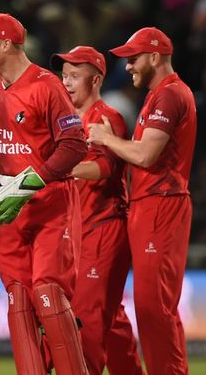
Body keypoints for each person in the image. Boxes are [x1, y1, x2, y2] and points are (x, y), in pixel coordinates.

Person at [0, 13, 89, 375]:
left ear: (5, 43)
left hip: (50, 207)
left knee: (47, 294)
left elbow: (75, 146)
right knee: (18, 299)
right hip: (9, 211)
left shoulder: (47, 86)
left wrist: (29, 183)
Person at [87, 27, 197, 375]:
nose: (129, 66)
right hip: (149, 205)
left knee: (154, 309)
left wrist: (106, 138)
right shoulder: (157, 96)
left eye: (133, 58)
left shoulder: (169, 95)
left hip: (161, 205)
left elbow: (146, 155)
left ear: (155, 57)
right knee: (150, 309)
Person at [49, 46, 143, 375]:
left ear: (97, 79)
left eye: (75, 76)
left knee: (87, 316)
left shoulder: (107, 117)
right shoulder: (67, 122)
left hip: (104, 227)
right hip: (80, 230)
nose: (67, 82)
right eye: (64, 76)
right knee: (110, 317)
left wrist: (58, 168)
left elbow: (105, 168)